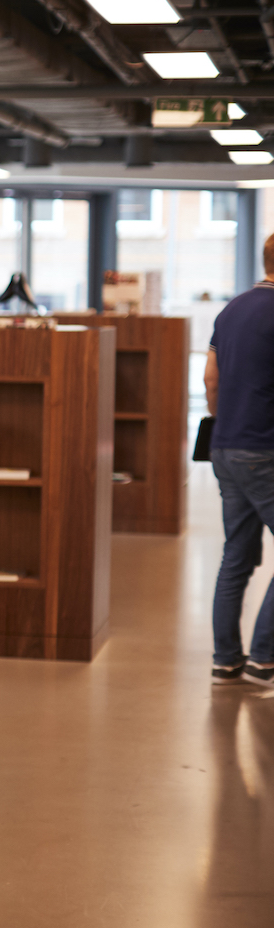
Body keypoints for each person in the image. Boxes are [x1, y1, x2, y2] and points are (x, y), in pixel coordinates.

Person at [206, 236, 274, 688]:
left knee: (236, 555)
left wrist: (225, 418)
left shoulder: (231, 309)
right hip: (264, 450)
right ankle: (265, 657)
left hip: (224, 445)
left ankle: (226, 659)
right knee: (238, 555)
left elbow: (210, 377)